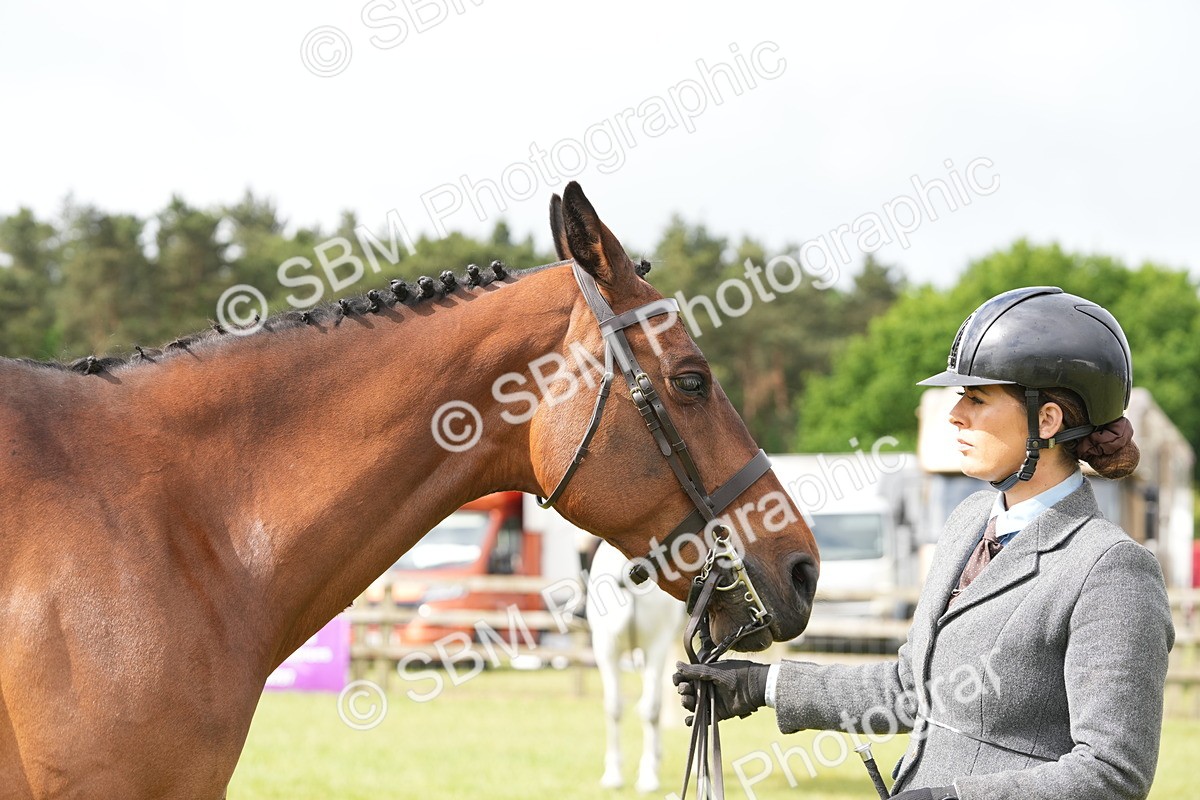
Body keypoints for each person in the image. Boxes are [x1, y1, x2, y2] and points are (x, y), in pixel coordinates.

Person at [674, 287, 1175, 800]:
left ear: (1047, 420)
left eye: (976, 398)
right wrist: (765, 686)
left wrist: (952, 798)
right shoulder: (968, 523)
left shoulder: (1110, 569)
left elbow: (1112, 773)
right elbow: (913, 691)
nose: (955, 415)